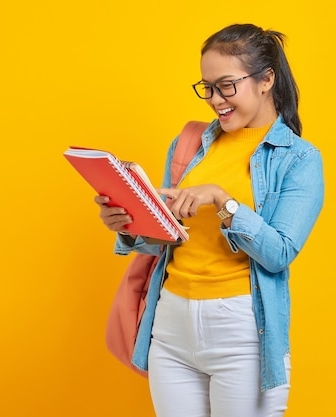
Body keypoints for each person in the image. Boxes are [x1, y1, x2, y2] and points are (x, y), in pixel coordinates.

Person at [95, 23, 324, 417]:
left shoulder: (298, 159)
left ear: (266, 79)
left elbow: (279, 253)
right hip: (170, 325)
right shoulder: (189, 143)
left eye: (226, 85)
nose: (215, 99)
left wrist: (222, 200)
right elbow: (168, 236)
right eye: (207, 87)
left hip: (240, 330)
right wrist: (130, 223)